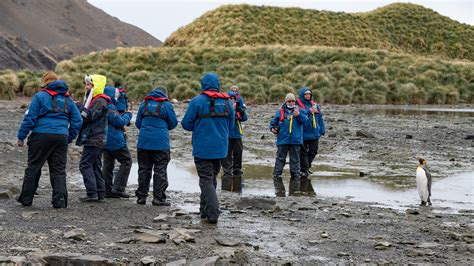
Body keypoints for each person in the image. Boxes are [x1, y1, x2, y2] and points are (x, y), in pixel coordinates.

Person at [16, 72, 82, 208]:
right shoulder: (68, 99)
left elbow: (30, 117)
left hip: (40, 136)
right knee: (58, 170)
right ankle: (60, 201)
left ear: (46, 83)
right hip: (61, 136)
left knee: (33, 167)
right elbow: (78, 120)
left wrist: (21, 136)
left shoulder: (40, 96)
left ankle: (26, 199)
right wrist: (68, 137)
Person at [181, 73, 235, 224]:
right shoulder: (227, 103)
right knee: (211, 179)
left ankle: (212, 213)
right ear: (217, 85)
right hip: (221, 149)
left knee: (206, 180)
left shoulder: (197, 101)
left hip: (203, 148)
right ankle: (204, 210)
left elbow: (186, 124)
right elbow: (230, 126)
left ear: (203, 85)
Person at [135, 87, 178, 206]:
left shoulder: (144, 104)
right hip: (161, 143)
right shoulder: (167, 105)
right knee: (160, 170)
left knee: (144, 169)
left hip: (144, 142)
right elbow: (173, 123)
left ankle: (141, 197)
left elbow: (138, 123)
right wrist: (162, 127)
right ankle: (158, 198)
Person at [76, 74, 110, 202]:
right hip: (95, 138)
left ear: (96, 86)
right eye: (86, 84)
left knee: (85, 164)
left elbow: (89, 116)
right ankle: (100, 193)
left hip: (94, 138)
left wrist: (79, 107)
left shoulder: (99, 101)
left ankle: (92, 193)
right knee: (95, 165)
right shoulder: (95, 100)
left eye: (89, 85)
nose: (86, 87)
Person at [269, 93, 308, 197]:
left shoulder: (299, 110)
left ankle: (295, 177)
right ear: (286, 102)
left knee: (295, 159)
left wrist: (298, 115)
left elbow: (306, 121)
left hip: (295, 140)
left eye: (293, 101)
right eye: (289, 101)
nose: (291, 103)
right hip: (283, 140)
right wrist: (272, 128)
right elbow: (273, 123)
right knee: (280, 158)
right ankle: (276, 175)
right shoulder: (280, 111)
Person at [101, 86, 133, 198]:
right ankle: (118, 188)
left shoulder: (101, 104)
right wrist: (128, 115)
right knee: (127, 161)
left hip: (104, 139)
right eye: (116, 95)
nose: (117, 97)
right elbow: (119, 122)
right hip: (114, 139)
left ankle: (107, 190)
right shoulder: (110, 106)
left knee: (108, 163)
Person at [296, 87, 325, 196]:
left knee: (313, 151)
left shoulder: (315, 105)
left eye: (309, 94)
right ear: (302, 95)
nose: (308, 96)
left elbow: (320, 118)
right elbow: (300, 117)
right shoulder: (298, 105)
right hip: (303, 133)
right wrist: (309, 111)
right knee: (303, 153)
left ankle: (306, 168)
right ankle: (304, 170)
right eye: (306, 94)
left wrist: (322, 129)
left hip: (314, 133)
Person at [221, 89, 248, 193]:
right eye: (230, 98)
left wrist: (240, 110)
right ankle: (227, 170)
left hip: (237, 134)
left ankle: (237, 169)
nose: (232, 100)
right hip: (227, 134)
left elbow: (245, 118)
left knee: (238, 152)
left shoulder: (238, 109)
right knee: (226, 154)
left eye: (233, 98)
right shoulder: (224, 108)